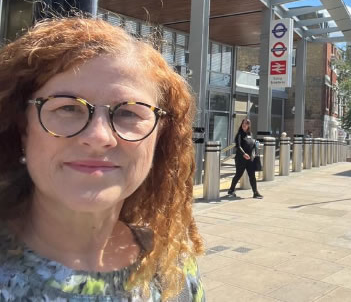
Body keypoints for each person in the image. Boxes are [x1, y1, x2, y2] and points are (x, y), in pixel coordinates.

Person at [0, 17, 205, 300]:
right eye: (68, 108)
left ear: (159, 135)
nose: (98, 136)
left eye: (128, 113)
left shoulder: (173, 269)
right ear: (24, 128)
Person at [228, 119, 263, 199]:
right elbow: (238, 146)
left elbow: (252, 143)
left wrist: (256, 146)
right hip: (241, 159)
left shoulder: (250, 134)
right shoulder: (239, 134)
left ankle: (255, 192)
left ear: (248, 125)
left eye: (246, 124)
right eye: (243, 123)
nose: (245, 125)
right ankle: (231, 190)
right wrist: (244, 154)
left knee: (252, 176)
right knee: (238, 174)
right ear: (241, 124)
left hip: (250, 159)